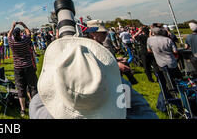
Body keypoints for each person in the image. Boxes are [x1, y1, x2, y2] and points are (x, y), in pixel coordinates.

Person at [29, 24, 157, 119]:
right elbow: (140, 109)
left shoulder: (38, 109)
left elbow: (41, 98)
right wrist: (113, 77)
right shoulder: (132, 108)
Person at [8, 21, 38, 117]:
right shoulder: (25, 41)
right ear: (21, 34)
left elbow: (9, 35)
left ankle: (22, 109)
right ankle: (35, 106)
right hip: (28, 66)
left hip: (18, 68)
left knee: (21, 88)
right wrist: (24, 25)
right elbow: (29, 33)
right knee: (32, 86)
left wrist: (12, 26)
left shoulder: (12, 43)